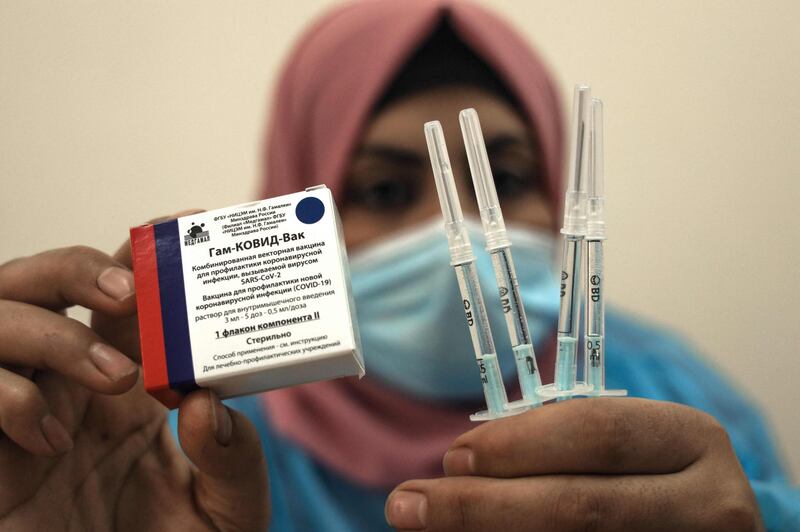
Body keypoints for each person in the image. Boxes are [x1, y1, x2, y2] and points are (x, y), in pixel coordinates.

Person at [0, 1, 797, 530]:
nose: (454, 233)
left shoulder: (679, 408)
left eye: (507, 178)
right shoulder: (181, 451)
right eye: (383, 188)